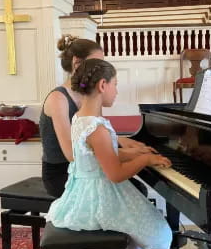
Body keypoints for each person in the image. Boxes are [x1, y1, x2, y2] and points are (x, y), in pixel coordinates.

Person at [45, 58, 172, 249]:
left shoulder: (81, 118)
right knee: (162, 237)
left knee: (142, 226)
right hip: (100, 199)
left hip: (85, 193)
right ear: (103, 85)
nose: (117, 90)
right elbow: (114, 173)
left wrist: (137, 154)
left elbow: (103, 155)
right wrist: (145, 159)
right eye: (115, 84)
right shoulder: (97, 127)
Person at [40, 35, 150, 197]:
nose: (101, 68)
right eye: (96, 63)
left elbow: (93, 134)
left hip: (84, 167)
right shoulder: (58, 99)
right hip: (63, 174)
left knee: (135, 188)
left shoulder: (90, 93)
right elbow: (73, 154)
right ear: (77, 63)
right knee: (134, 191)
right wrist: (132, 155)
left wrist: (127, 142)